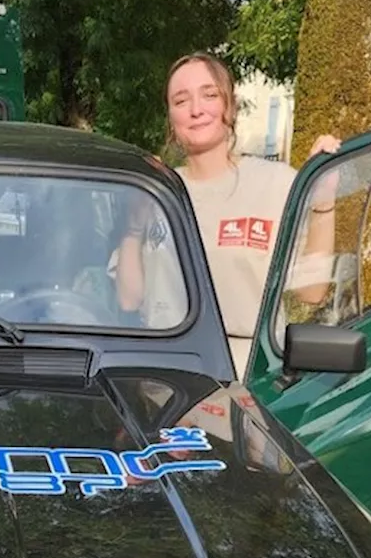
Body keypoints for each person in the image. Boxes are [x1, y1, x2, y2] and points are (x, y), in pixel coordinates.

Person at [113, 51, 340, 378]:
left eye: (209, 95)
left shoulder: (275, 183)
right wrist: (135, 222)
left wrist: (322, 201)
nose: (196, 110)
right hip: (167, 377)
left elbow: (312, 291)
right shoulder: (160, 190)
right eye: (181, 100)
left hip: (252, 379)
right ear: (171, 120)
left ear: (229, 105)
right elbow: (128, 299)